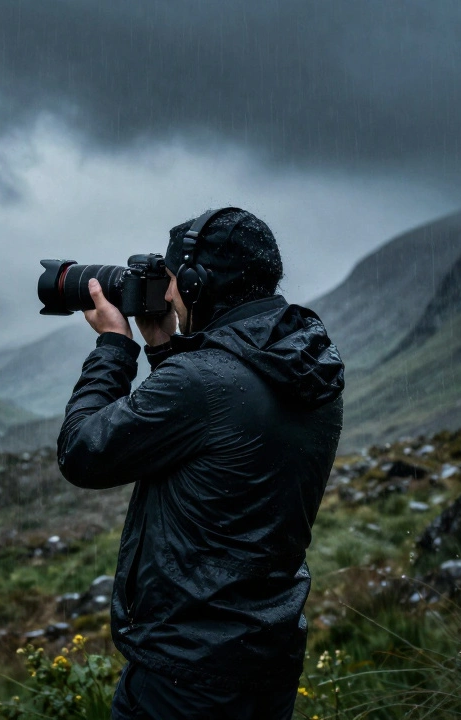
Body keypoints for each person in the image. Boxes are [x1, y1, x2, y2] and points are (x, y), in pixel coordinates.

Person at [56, 207, 345, 719]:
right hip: (264, 658)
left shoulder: (201, 384)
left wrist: (115, 347)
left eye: (170, 281)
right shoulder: (304, 362)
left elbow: (82, 451)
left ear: (194, 282)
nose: (166, 294)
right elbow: (222, 439)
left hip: (184, 676)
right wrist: (165, 349)